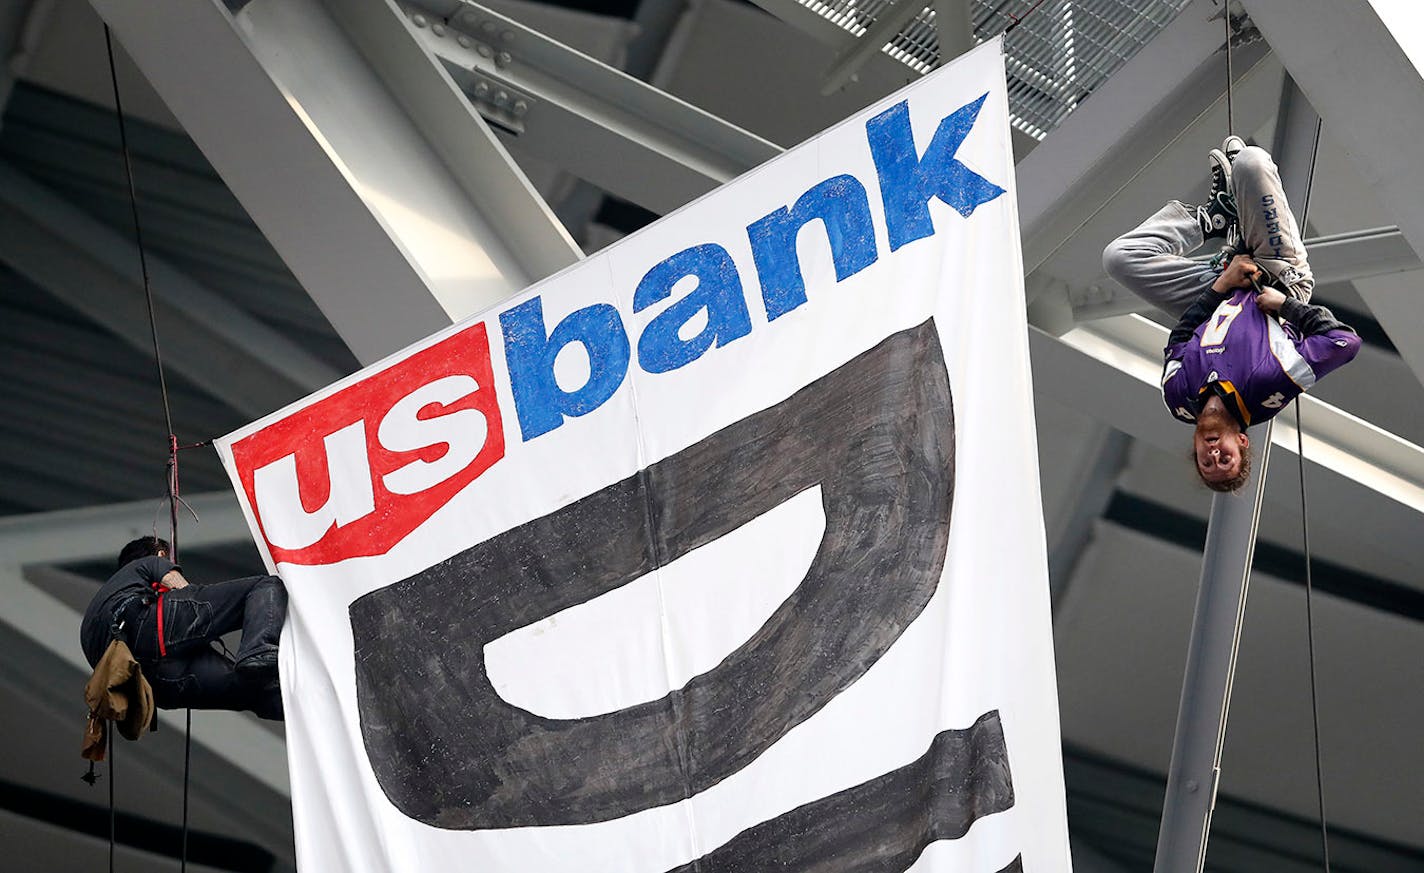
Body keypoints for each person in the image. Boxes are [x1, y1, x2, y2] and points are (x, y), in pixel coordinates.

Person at [1102, 136, 1361, 491]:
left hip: (1216, 293)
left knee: (1120, 258)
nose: (1213, 455)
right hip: (1273, 275)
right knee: (1250, 162)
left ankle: (1212, 220)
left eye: (1207, 463)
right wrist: (1284, 304)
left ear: (1194, 450)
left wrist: (1220, 286)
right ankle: (1238, 205)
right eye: (1226, 459)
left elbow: (1180, 336)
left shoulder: (1177, 400)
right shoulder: (1270, 387)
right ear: (1241, 442)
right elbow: (1344, 342)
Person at [80, 536, 286, 721]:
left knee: (255, 694)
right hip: (154, 627)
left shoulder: (94, 623)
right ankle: (259, 652)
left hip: (157, 687)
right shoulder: (145, 564)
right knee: (265, 586)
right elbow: (181, 588)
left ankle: (285, 705)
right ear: (161, 555)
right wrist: (205, 613)